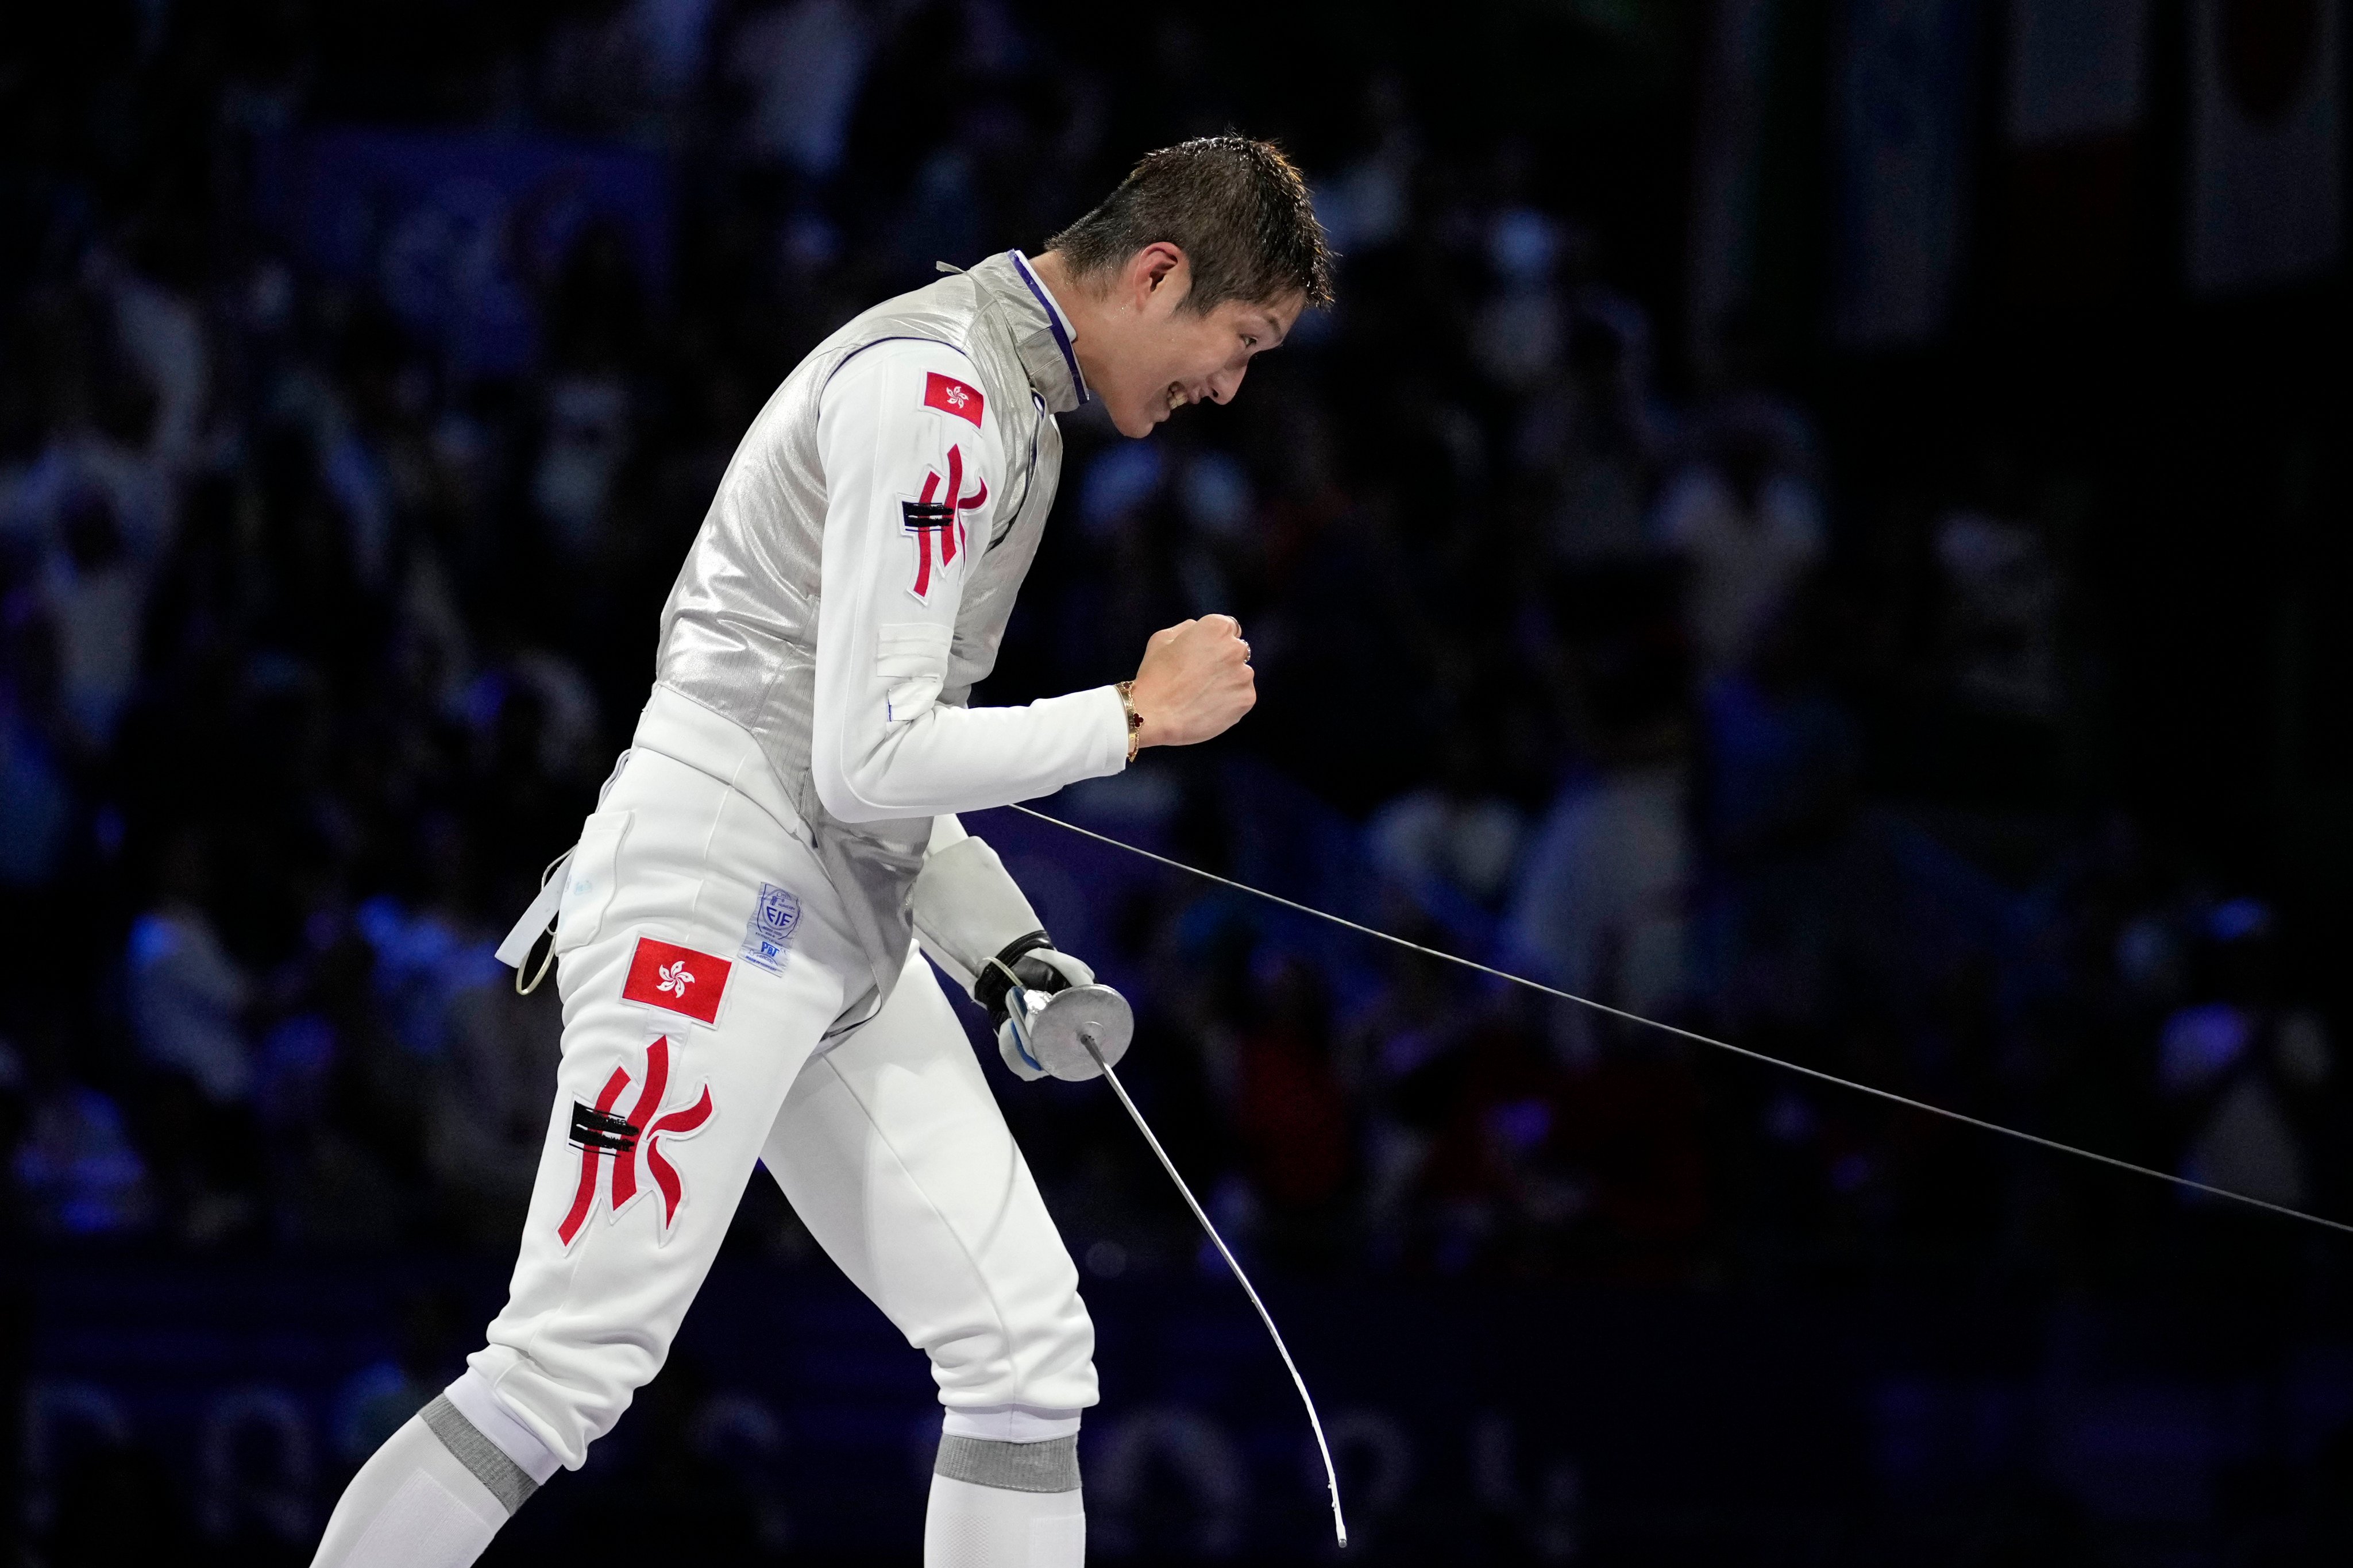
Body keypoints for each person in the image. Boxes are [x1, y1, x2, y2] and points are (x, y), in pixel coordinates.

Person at [310, 136, 1330, 1568]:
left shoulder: (1007, 408)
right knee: (563, 1365)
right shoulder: (937, 393)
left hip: (830, 921)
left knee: (1024, 1347)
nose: (1227, 388)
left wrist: (1011, 956)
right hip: (714, 908)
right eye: (1237, 345)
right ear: (1156, 274)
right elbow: (869, 757)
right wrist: (1129, 719)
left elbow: (886, 773)